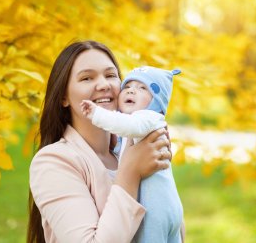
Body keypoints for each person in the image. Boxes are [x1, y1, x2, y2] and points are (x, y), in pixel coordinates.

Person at [27, 40, 173, 243]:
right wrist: (131, 172)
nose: (104, 85)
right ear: (63, 97)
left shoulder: (135, 149)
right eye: (87, 78)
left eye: (111, 75)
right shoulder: (53, 162)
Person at [81, 66, 184, 243]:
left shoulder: (149, 117)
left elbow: (128, 125)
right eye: (128, 86)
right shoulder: (145, 124)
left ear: (157, 102)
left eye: (143, 88)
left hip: (155, 210)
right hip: (168, 207)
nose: (131, 90)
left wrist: (97, 113)